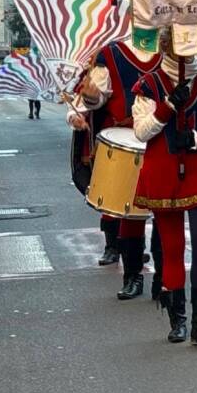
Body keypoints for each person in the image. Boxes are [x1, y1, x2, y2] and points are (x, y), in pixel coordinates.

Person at [132, 35, 197, 345]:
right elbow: (140, 131)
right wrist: (166, 109)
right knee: (171, 248)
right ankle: (177, 319)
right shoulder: (148, 85)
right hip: (164, 172)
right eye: (181, 42)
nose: (189, 48)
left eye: (192, 42)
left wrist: (196, 139)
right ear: (166, 46)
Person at [67, 38, 163, 300]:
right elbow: (93, 100)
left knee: (166, 212)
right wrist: (84, 105)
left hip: (162, 138)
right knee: (128, 211)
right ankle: (133, 276)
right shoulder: (111, 53)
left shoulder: (173, 50)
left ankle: (165, 279)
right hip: (124, 140)